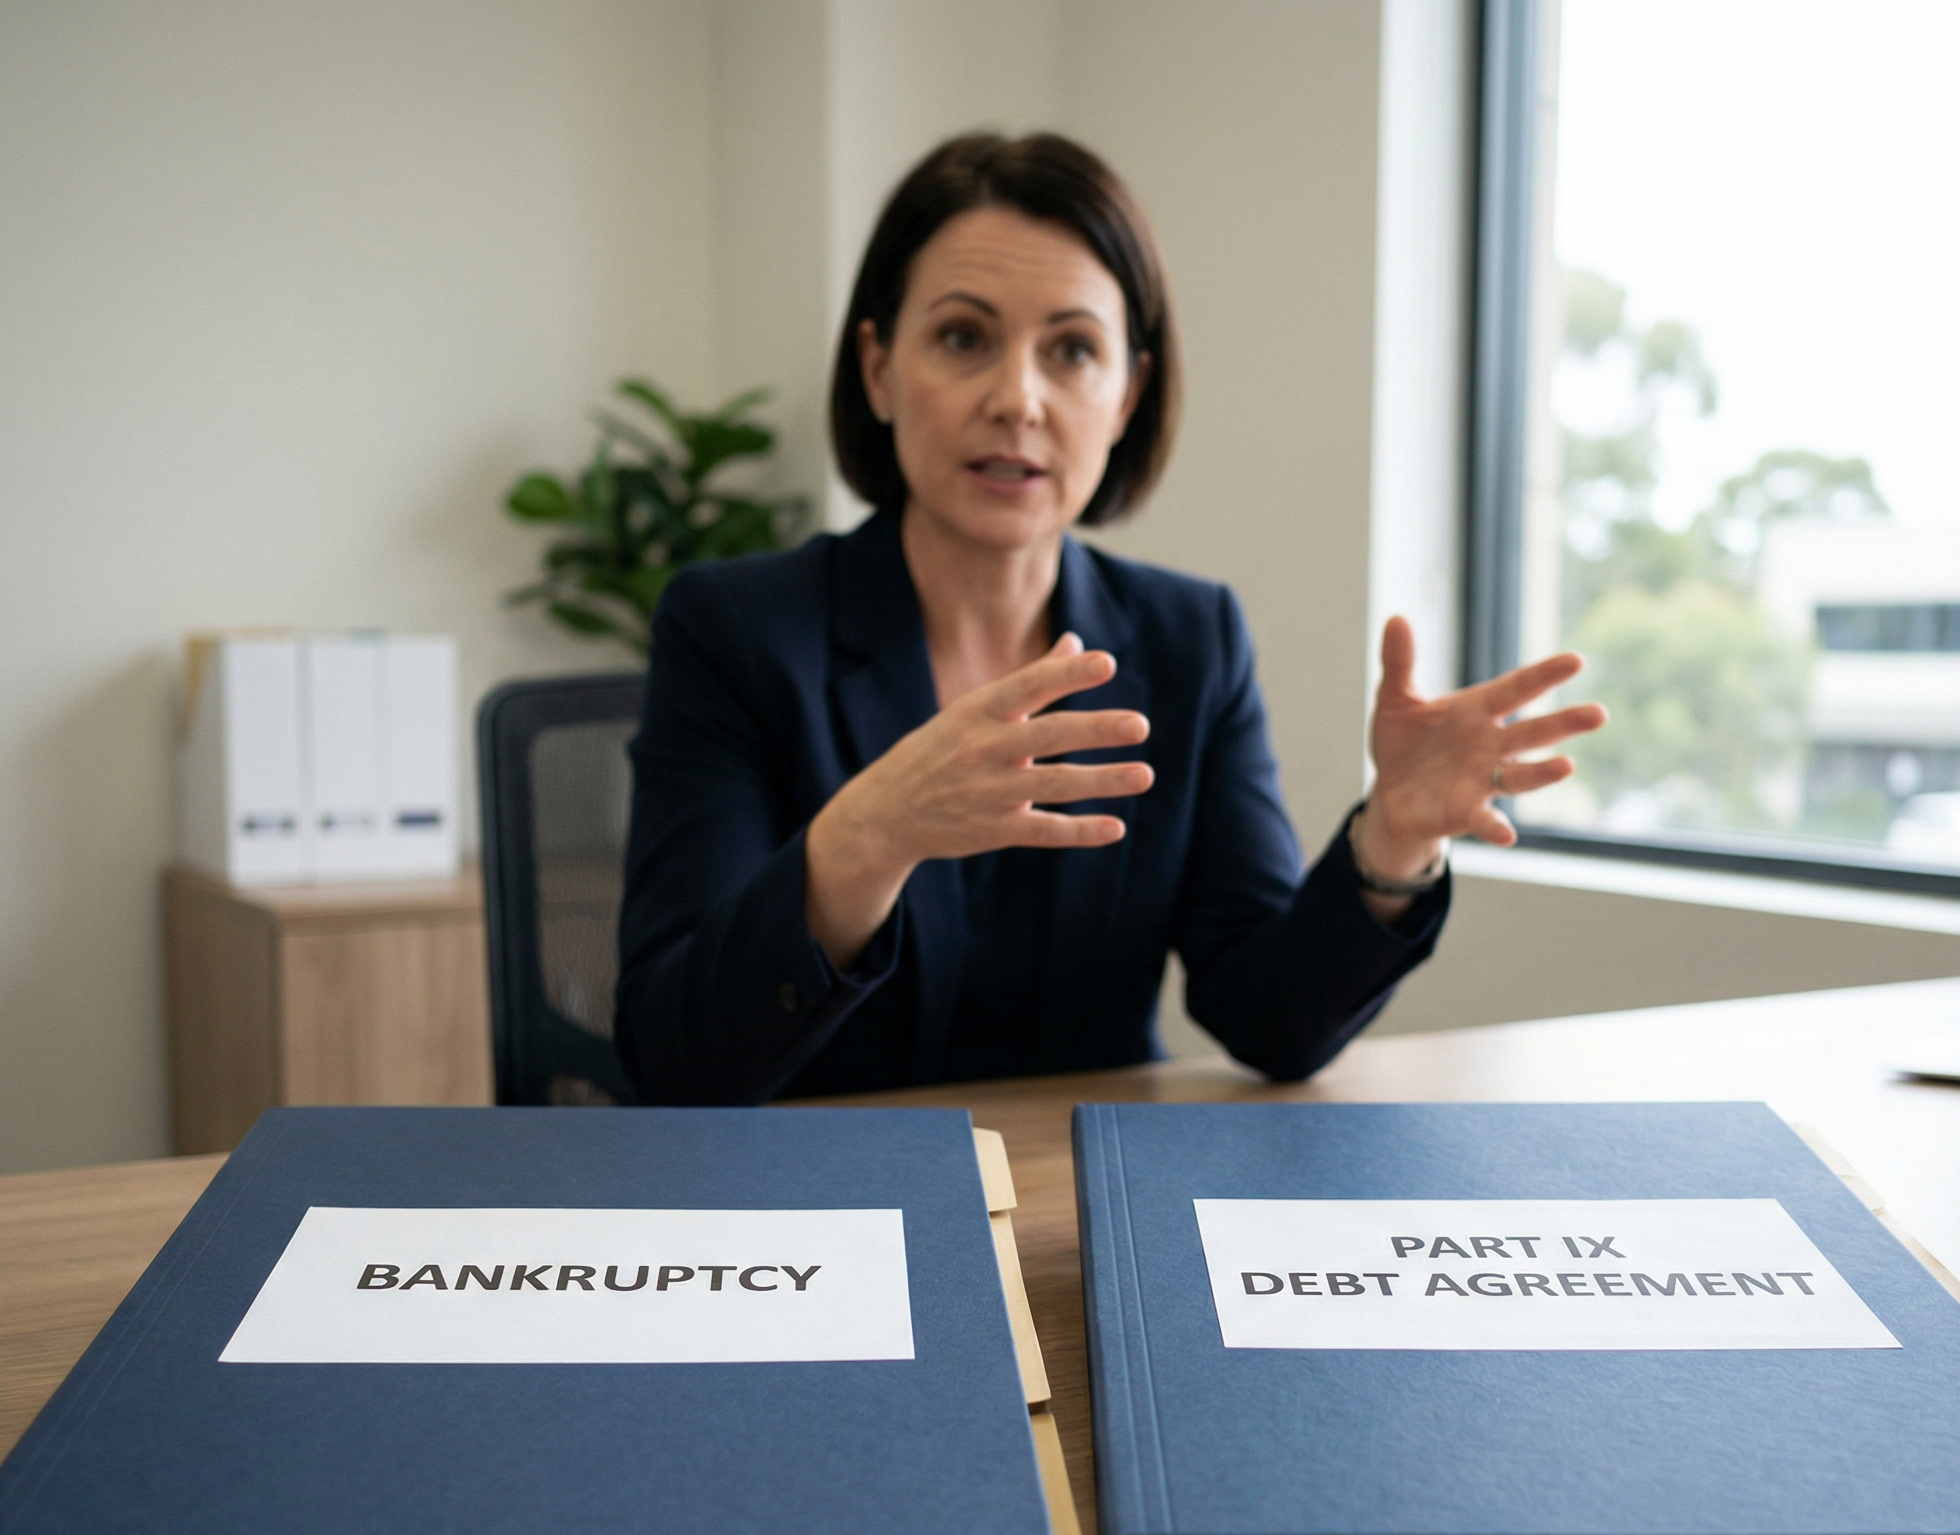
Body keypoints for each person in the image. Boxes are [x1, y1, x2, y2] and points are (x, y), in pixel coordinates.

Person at [615, 133, 1602, 1105]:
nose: (1018, 399)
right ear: (877, 368)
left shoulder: (1191, 639)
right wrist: (867, 838)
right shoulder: (734, 629)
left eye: (1073, 351)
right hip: (825, 1219)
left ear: (1127, 392)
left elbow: (1267, 1019)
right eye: (963, 337)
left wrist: (1390, 845)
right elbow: (674, 1059)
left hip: (1088, 1205)